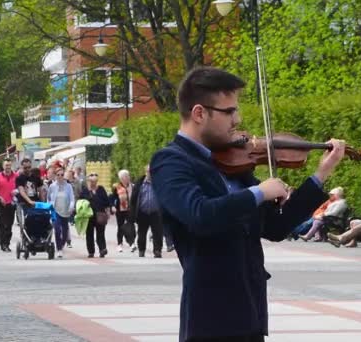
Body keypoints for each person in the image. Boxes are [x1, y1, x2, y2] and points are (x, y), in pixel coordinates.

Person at [150, 66, 345, 342]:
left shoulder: (233, 164)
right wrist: (258, 192)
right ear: (199, 113)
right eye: (229, 111)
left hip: (250, 312)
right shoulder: (171, 162)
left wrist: (320, 174)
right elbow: (199, 215)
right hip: (210, 318)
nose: (237, 119)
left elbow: (276, 227)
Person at [129, 165, 164, 258]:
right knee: (141, 233)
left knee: (157, 233)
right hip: (142, 212)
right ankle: (141, 250)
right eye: (149, 172)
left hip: (155, 212)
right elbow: (133, 199)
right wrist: (132, 213)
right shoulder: (140, 183)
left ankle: (157, 250)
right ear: (146, 172)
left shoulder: (159, 183)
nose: (150, 174)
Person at [79, 174, 109, 258]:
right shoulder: (85, 191)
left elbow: (106, 201)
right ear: (88, 181)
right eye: (91, 181)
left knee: (101, 233)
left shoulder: (101, 189)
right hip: (88, 216)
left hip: (100, 214)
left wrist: (108, 212)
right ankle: (91, 251)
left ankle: (102, 249)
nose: (93, 183)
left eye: (95, 181)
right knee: (89, 234)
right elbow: (80, 202)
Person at [47, 168, 75, 258]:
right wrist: (49, 206)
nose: (60, 177)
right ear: (55, 176)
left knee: (65, 230)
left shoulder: (68, 186)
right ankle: (59, 249)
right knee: (57, 229)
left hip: (65, 211)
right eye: (58, 175)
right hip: (56, 211)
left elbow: (72, 198)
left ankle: (62, 245)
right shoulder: (52, 186)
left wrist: (71, 206)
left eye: (62, 175)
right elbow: (49, 198)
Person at [0, 159, 18, 252]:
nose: (8, 167)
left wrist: (16, 192)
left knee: (9, 225)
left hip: (12, 203)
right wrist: (0, 198)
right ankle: (3, 244)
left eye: (9, 165)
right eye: (6, 165)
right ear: (3, 166)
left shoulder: (16, 175)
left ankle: (7, 243)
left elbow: (19, 187)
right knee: (2, 225)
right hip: (1, 204)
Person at [111, 169, 136, 252]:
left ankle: (132, 243)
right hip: (120, 210)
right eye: (126, 176)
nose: (128, 177)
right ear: (122, 178)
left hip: (130, 209)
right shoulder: (116, 186)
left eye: (128, 175)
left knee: (131, 226)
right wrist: (113, 206)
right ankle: (119, 244)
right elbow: (112, 198)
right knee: (121, 227)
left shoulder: (132, 186)